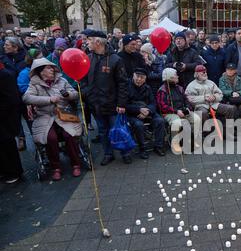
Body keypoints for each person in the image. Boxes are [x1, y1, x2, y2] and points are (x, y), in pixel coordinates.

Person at [23, 58, 82, 181]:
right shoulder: (34, 84)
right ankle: (56, 167)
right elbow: (27, 98)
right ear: (41, 71)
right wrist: (48, 100)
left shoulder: (62, 80)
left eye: (52, 67)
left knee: (69, 135)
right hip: (45, 117)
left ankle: (76, 164)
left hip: (64, 115)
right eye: (48, 68)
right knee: (50, 138)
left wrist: (68, 95)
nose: (52, 70)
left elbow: (75, 94)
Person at [80, 30, 129, 166]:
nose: (86, 43)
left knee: (118, 130)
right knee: (102, 131)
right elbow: (83, 80)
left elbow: (123, 83)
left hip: (113, 104)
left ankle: (125, 153)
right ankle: (108, 154)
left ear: (97, 42)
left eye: (88, 40)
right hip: (96, 104)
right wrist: (86, 93)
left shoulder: (115, 60)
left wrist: (121, 103)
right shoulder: (87, 58)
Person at [156, 68, 202, 153]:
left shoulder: (179, 88)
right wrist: (176, 111)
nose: (177, 76)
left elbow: (186, 100)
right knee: (178, 123)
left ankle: (192, 141)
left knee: (196, 119)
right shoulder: (162, 90)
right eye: (175, 75)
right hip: (169, 113)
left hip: (182, 110)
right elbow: (162, 106)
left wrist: (188, 107)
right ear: (170, 77)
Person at [126, 68, 166, 158]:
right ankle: (142, 148)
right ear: (133, 75)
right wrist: (139, 109)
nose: (139, 79)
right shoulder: (126, 87)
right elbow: (125, 105)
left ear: (145, 79)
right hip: (133, 113)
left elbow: (153, 103)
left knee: (160, 121)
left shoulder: (147, 88)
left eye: (142, 77)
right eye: (137, 76)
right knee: (138, 125)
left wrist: (147, 111)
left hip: (147, 112)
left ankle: (158, 146)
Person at [0, 61, 23, 184]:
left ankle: (14, 172)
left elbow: (11, 99)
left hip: (6, 118)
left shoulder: (5, 75)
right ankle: (4, 170)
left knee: (7, 145)